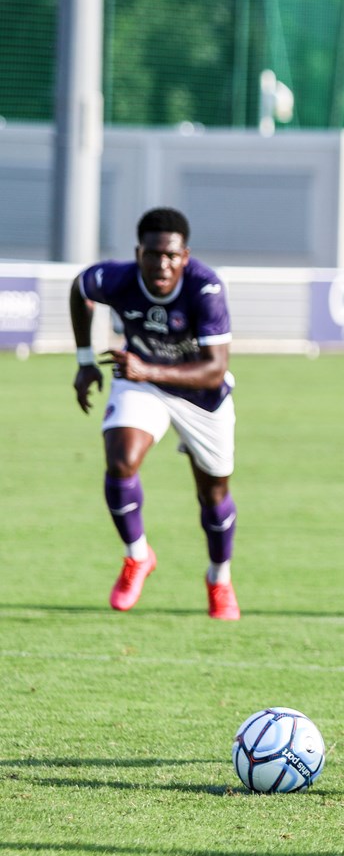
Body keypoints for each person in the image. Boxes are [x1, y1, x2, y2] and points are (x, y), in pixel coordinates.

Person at [70, 207, 241, 620]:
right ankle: (138, 556)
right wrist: (84, 359)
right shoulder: (117, 279)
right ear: (138, 253)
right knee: (121, 461)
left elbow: (215, 368)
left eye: (171, 255)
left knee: (213, 494)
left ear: (185, 256)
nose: (161, 264)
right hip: (140, 383)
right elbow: (80, 288)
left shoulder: (206, 288)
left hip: (201, 395)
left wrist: (147, 368)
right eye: (152, 254)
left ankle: (219, 578)